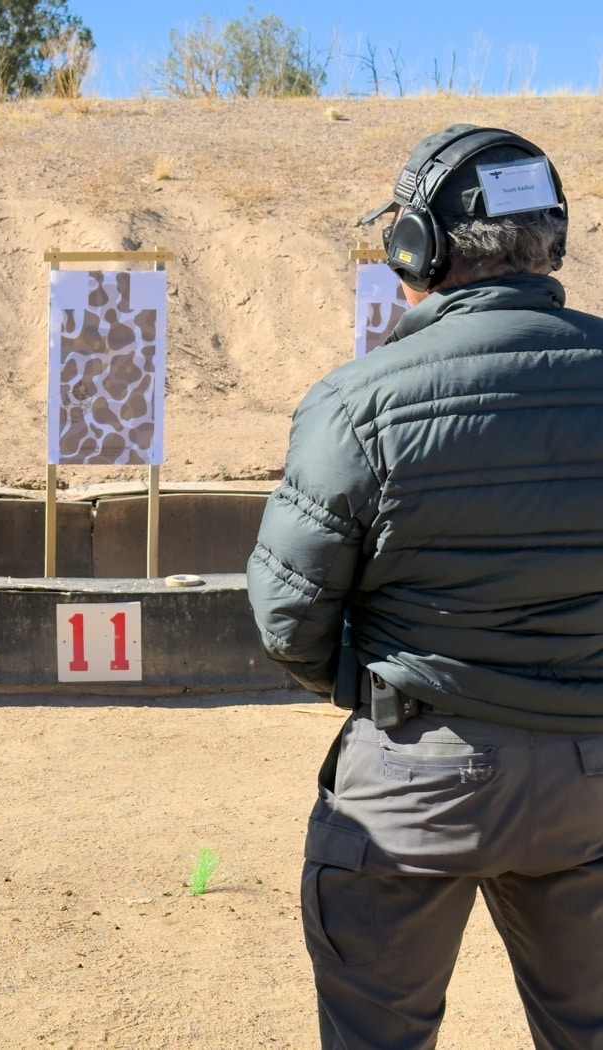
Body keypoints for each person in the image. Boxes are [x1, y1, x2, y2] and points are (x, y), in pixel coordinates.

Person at [247, 123, 603, 1049]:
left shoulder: (356, 400)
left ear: (418, 247)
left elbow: (289, 616)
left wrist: (376, 678)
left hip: (412, 777)